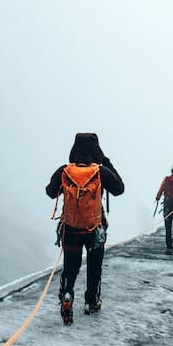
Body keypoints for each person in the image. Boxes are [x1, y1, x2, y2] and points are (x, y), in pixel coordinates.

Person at [46, 133, 125, 325]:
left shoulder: (64, 171)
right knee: (94, 267)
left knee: (70, 267)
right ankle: (91, 302)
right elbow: (119, 188)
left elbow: (50, 192)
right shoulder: (101, 172)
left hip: (71, 230)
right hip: (94, 230)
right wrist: (105, 161)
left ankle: (67, 295)